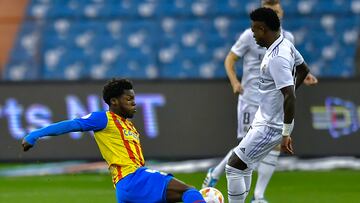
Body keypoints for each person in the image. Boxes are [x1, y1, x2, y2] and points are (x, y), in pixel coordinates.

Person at [202, 0, 317, 202]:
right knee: (244, 164)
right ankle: (255, 196)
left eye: (255, 30)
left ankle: (256, 195)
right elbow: (303, 69)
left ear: (263, 29)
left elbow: (290, 95)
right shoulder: (284, 43)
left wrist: (286, 132)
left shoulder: (277, 57)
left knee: (234, 166)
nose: (252, 34)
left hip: (269, 125)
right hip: (260, 113)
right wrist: (283, 93)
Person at [22, 78, 206, 203]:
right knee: (188, 191)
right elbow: (72, 124)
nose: (134, 103)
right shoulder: (104, 119)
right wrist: (34, 135)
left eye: (134, 99)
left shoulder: (130, 127)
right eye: (129, 99)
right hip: (133, 179)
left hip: (128, 188)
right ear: (114, 101)